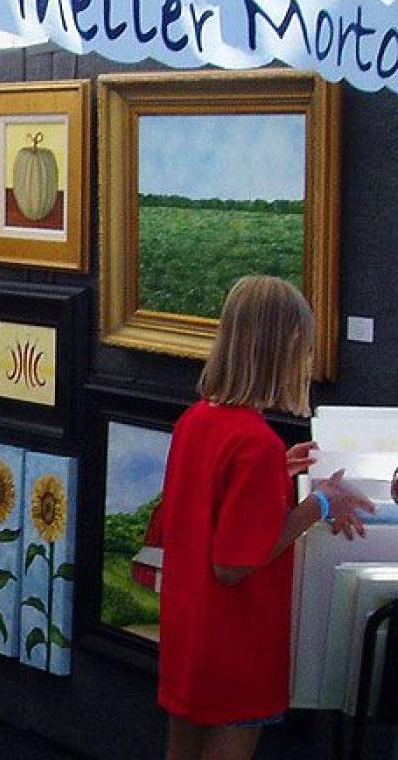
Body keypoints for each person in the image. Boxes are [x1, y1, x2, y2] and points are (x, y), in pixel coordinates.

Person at [158, 275, 374, 760]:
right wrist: (318, 504)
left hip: (190, 638)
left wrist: (276, 473)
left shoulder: (198, 420)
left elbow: (210, 507)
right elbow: (233, 564)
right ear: (286, 345)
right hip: (237, 646)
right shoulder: (255, 443)